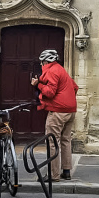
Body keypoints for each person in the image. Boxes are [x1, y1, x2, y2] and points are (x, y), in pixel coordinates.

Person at [31, 49, 78, 180]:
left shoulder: (50, 70)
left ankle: (53, 175)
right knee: (66, 140)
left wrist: (38, 85)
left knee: (52, 142)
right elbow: (74, 87)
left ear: (45, 61)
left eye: (41, 62)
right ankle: (66, 171)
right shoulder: (61, 69)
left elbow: (50, 92)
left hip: (58, 112)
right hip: (70, 110)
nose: (41, 65)